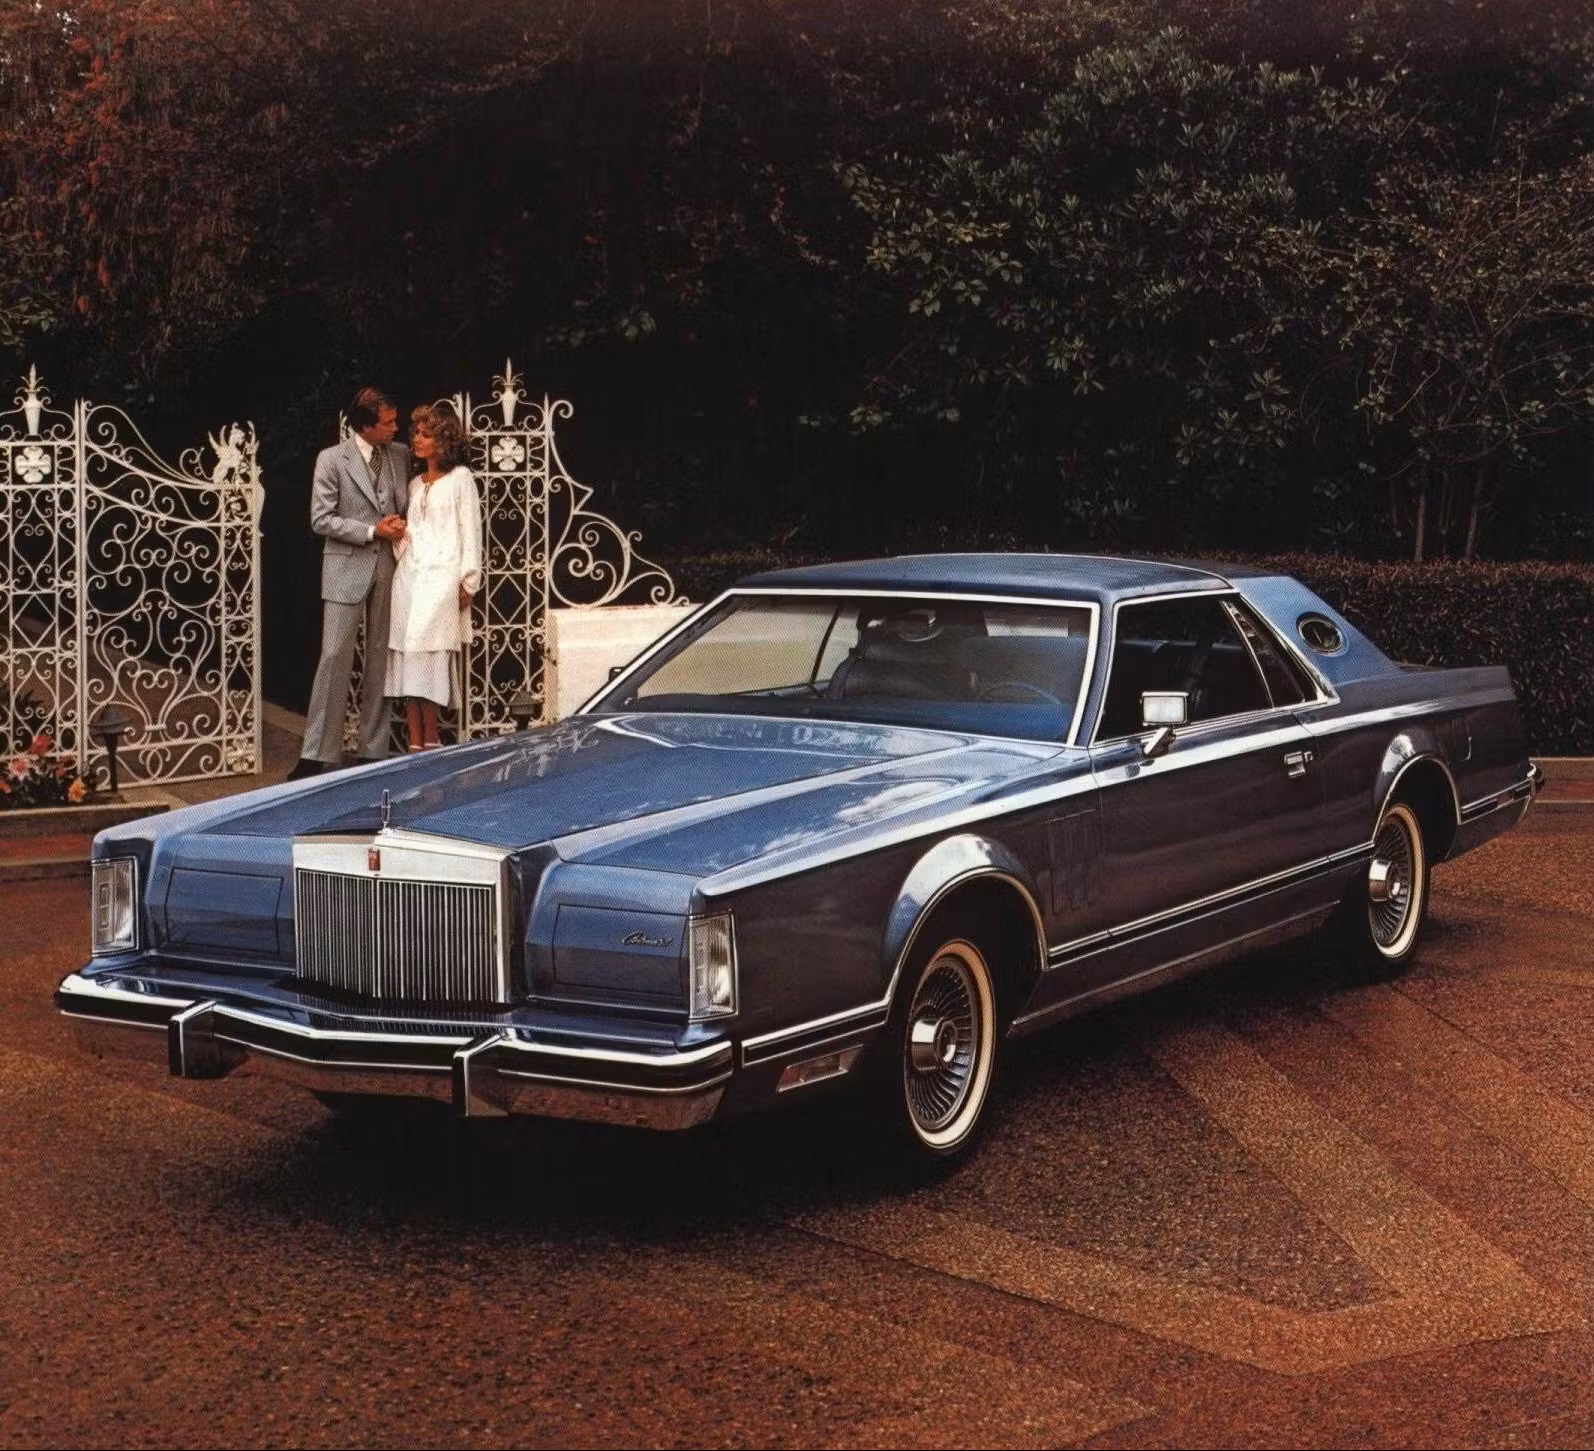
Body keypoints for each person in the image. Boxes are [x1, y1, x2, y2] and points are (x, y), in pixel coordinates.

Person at [288, 387, 410, 779]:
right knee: (334, 655)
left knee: (380, 656)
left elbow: (406, 504)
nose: (396, 427)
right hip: (345, 568)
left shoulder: (400, 454)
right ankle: (316, 753)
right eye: (388, 422)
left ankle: (373, 750)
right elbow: (321, 519)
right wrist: (373, 530)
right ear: (365, 426)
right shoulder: (331, 459)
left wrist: (397, 523)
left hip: (389, 567)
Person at [387, 403, 482, 749]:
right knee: (408, 657)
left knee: (431, 659)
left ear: (443, 441)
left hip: (441, 582)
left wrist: (469, 580)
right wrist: (398, 534)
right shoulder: (414, 484)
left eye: (426, 434)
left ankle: (431, 740)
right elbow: (413, 535)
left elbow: (471, 531)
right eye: (416, 433)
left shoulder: (461, 479)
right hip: (408, 581)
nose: (416, 439)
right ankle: (415, 742)